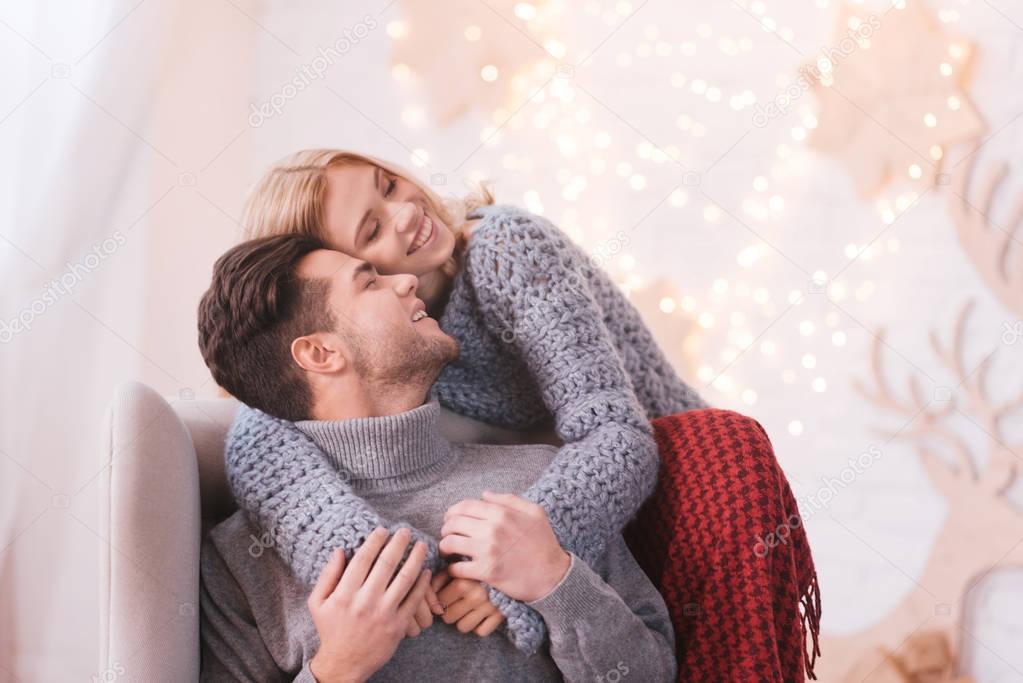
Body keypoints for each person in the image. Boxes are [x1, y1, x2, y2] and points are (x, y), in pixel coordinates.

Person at [222, 150, 822, 681]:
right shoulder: (370, 346)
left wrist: (507, 572)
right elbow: (256, 433)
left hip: (661, 478)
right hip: (544, 497)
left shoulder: (505, 250)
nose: (405, 212)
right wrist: (374, 566)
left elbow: (617, 436)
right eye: (372, 228)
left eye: (388, 184)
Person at [196, 234, 678, 682]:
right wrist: (337, 667)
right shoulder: (239, 561)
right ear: (321, 353)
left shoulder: (541, 486)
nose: (404, 279)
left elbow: (655, 672)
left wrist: (556, 582)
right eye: (369, 283)